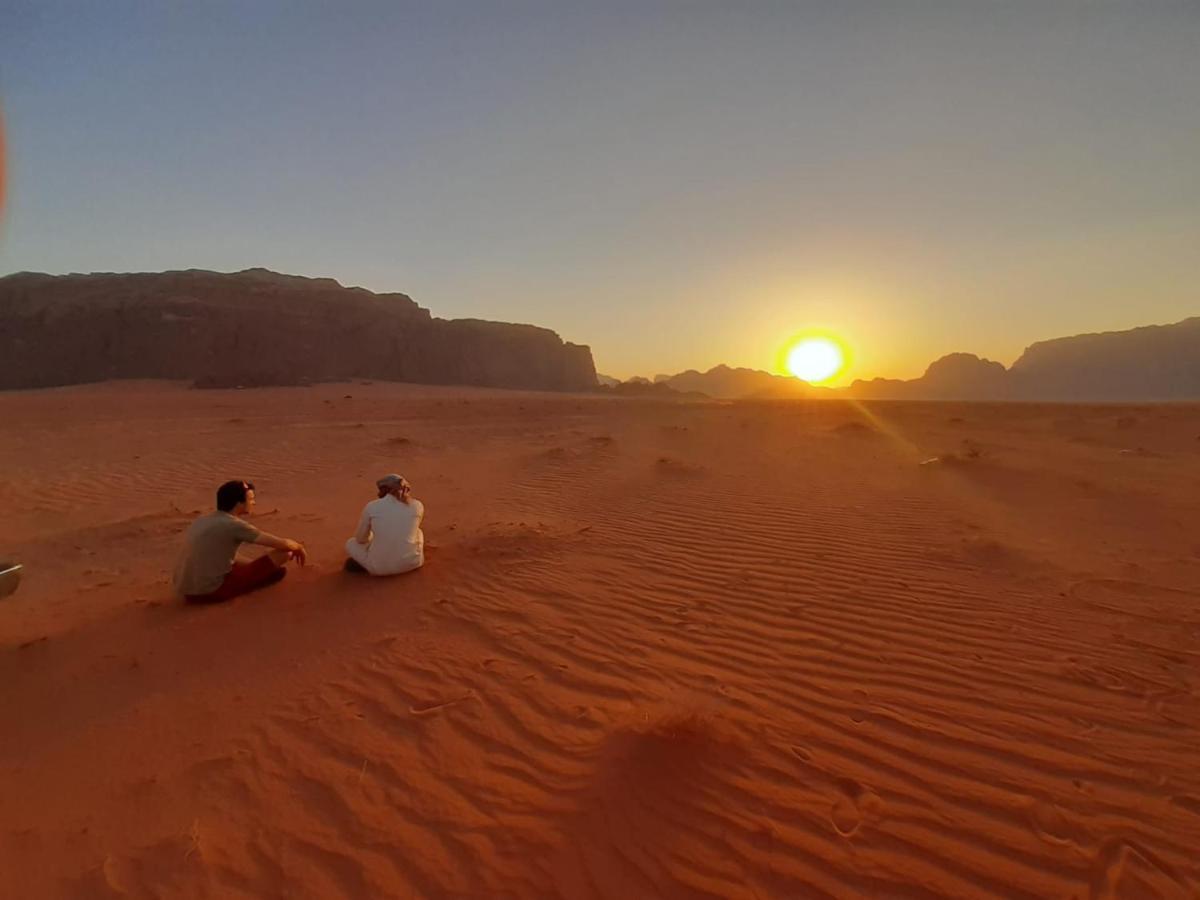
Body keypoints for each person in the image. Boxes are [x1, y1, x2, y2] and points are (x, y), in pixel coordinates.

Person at [173, 480, 307, 603]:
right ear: (239, 503)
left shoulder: (202, 520)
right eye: (251, 499)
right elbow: (281, 544)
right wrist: (298, 546)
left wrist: (254, 566)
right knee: (284, 553)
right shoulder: (233, 524)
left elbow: (224, 555)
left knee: (244, 564)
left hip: (186, 592)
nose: (253, 503)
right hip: (211, 592)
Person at [344, 473, 425, 575]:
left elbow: (360, 539)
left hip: (379, 569)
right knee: (418, 532)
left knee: (351, 543)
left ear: (384, 489)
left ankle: (369, 562)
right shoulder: (418, 505)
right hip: (414, 563)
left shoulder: (372, 506)